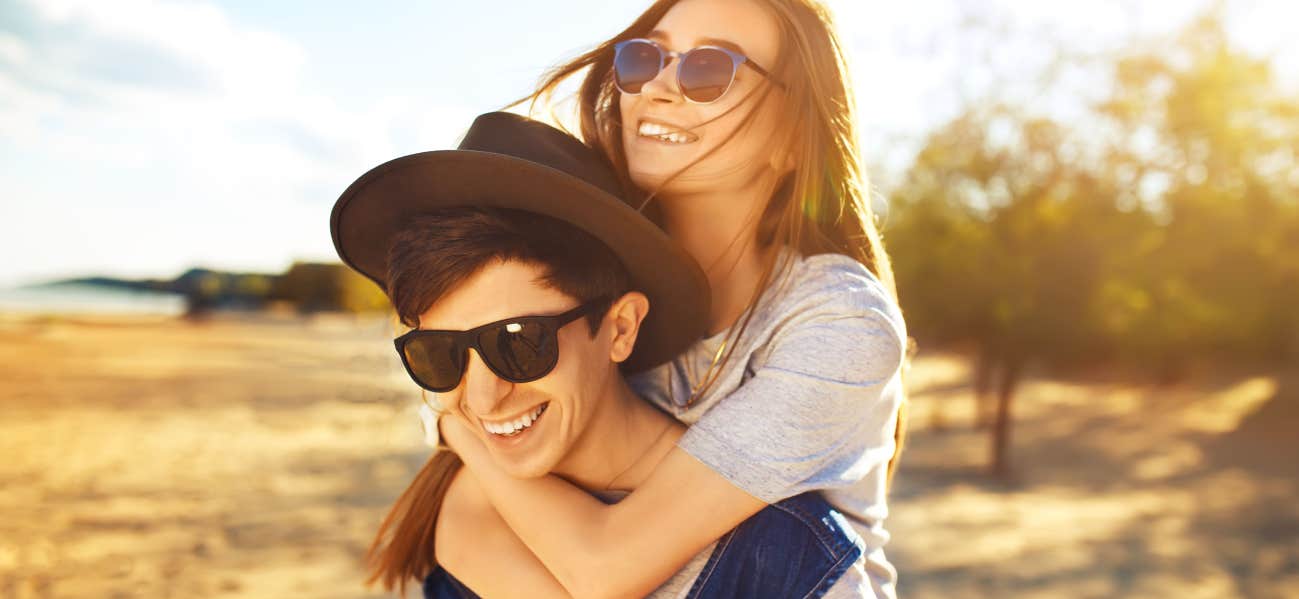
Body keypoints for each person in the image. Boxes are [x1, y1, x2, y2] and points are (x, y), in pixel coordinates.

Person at [436, 0, 911, 597]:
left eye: (710, 68)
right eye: (643, 58)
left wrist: (459, 433)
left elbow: (608, 564)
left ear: (794, 138)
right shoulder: (582, 271)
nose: (658, 86)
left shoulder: (839, 324)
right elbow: (461, 515)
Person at [331, 112, 867, 597]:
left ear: (621, 328)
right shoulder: (467, 519)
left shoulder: (790, 557)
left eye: (516, 343)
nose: (484, 398)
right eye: (439, 354)